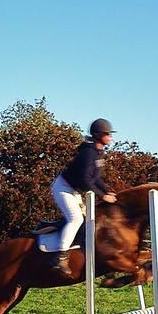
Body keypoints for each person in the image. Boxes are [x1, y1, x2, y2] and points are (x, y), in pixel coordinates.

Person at [50, 118, 118, 276]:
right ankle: (60, 257)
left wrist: (107, 191)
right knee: (76, 219)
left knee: (89, 221)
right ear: (98, 135)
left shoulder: (99, 152)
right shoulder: (89, 153)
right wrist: (103, 196)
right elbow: (85, 181)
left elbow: (96, 179)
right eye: (107, 134)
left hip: (73, 190)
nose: (110, 137)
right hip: (63, 188)